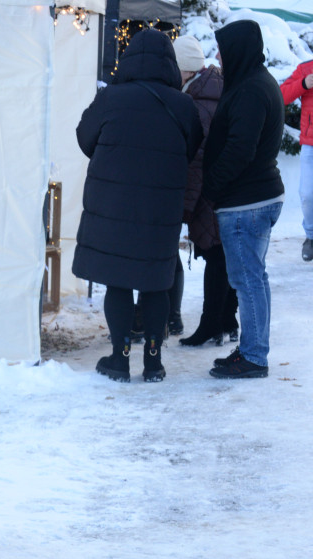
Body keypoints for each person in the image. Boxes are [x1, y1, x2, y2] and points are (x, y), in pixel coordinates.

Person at [73, 29, 203, 383]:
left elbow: (85, 138)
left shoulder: (111, 97)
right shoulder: (182, 104)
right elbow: (191, 147)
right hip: (161, 208)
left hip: (113, 205)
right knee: (155, 282)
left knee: (118, 282)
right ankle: (154, 362)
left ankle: (119, 358)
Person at [202, 20, 284, 379]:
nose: (218, 56)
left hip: (246, 202)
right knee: (254, 278)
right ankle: (253, 348)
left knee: (248, 280)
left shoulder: (251, 90)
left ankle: (253, 356)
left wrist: (212, 186)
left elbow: (240, 150)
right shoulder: (254, 82)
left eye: (223, 49)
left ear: (238, 49)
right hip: (253, 197)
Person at [172, 35, 240, 347]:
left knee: (216, 257)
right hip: (218, 191)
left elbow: (196, 161)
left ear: (185, 70)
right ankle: (226, 320)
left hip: (209, 194)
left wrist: (185, 209)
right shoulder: (209, 90)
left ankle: (214, 323)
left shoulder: (198, 102)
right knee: (221, 256)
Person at [280, 58, 313, 261]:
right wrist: (303, 84)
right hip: (310, 143)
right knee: (307, 194)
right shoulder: (305, 69)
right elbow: (281, 95)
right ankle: (311, 236)